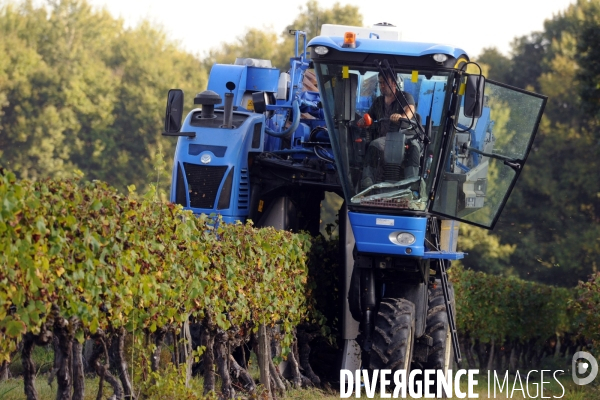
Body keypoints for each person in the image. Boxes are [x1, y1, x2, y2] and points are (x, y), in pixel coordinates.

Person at [358, 71, 422, 189]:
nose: (382, 86)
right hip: (386, 140)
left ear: (394, 83)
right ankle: (367, 184)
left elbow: (410, 110)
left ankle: (411, 186)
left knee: (414, 147)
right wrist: (363, 121)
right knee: (374, 145)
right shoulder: (378, 102)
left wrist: (401, 117)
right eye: (380, 83)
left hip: (405, 137)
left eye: (385, 83)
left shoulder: (404, 97)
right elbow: (369, 117)